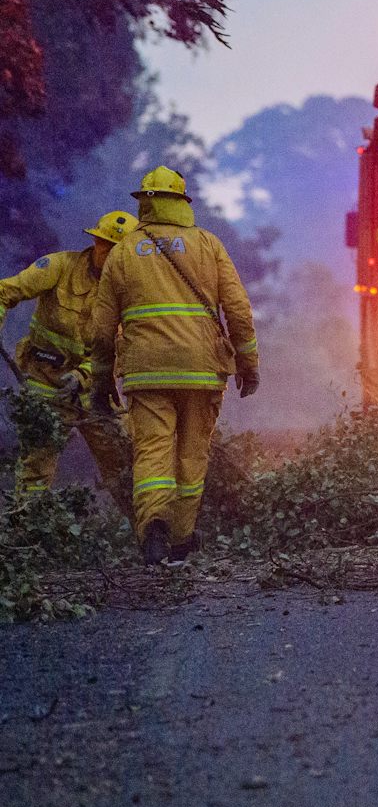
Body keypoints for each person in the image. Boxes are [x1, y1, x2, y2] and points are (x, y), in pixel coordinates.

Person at [89, 167, 259, 566]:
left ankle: (152, 529)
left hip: (146, 372)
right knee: (190, 454)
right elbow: (238, 311)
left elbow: (101, 327)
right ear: (183, 202)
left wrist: (101, 380)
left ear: (145, 202)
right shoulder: (208, 245)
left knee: (151, 452)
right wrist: (248, 366)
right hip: (202, 370)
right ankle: (181, 541)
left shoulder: (124, 251)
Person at [4, 211, 138, 508]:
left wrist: (83, 375)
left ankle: (149, 541)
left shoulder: (132, 292)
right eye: (105, 244)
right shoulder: (58, 266)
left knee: (128, 463)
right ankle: (30, 531)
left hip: (96, 390)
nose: (109, 253)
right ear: (94, 240)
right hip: (45, 382)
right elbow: (4, 291)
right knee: (34, 474)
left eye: (118, 249)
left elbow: (124, 345)